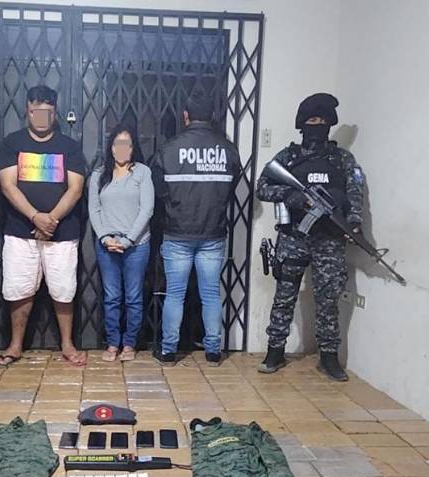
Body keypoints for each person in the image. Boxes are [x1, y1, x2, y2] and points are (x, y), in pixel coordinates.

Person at [256, 93, 364, 381]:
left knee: (328, 299)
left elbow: (355, 193)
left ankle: (328, 357)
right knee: (284, 295)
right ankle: (275, 351)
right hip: (294, 237)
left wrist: (354, 223)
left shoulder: (342, 160)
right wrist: (289, 195)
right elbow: (262, 187)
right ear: (302, 124)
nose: (317, 125)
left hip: (330, 240)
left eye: (322, 120)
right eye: (312, 120)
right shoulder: (288, 157)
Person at [0, 85, 87, 368]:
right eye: (36, 111)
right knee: (18, 288)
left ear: (55, 113)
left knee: (63, 290)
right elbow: (7, 185)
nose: (41, 116)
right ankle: (15, 345)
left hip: (62, 233)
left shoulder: (69, 147)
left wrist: (50, 220)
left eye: (47, 111)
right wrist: (35, 217)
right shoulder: (12, 143)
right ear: (28, 110)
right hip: (21, 232)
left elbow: (76, 188)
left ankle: (67, 345)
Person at [151, 96, 242, 367]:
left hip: (177, 231)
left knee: (175, 294)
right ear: (212, 116)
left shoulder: (169, 150)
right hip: (213, 233)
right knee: (211, 293)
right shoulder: (228, 150)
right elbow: (231, 188)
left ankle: (169, 350)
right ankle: (213, 351)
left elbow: (159, 190)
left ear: (185, 116)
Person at [88, 124, 154, 362]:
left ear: (133, 148)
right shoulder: (99, 175)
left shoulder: (142, 172)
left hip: (136, 245)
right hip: (107, 244)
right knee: (112, 296)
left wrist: (128, 240)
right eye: (118, 144)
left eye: (127, 144)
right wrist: (105, 238)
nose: (122, 149)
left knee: (133, 297)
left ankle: (129, 343)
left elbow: (147, 209)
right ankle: (112, 343)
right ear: (111, 147)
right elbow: (94, 210)